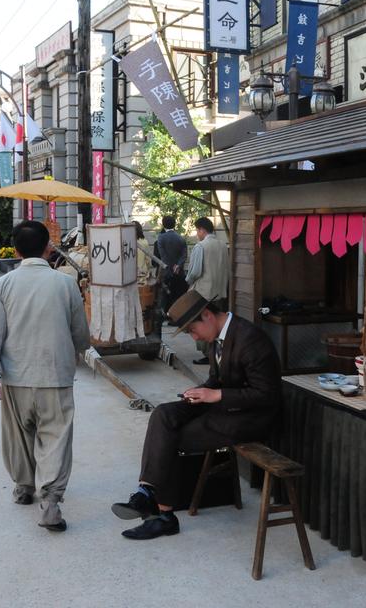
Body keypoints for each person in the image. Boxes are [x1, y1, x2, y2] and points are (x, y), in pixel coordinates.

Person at [111, 290, 282, 540]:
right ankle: (146, 492)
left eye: (192, 330)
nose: (193, 337)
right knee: (163, 415)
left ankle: (164, 514)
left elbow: (267, 395)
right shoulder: (217, 339)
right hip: (226, 407)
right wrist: (201, 392)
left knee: (172, 436)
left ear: (207, 315)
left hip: (253, 418)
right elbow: (217, 379)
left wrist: (217, 395)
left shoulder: (251, 339)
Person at [0, 220, 90, 532]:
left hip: (16, 377)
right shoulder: (65, 284)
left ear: (15, 250)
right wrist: (81, 348)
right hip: (55, 375)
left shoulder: (4, 284)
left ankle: (23, 488)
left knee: (19, 436)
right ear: (47, 247)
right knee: (55, 437)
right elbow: (80, 333)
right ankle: (51, 503)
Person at [184, 217, 229, 365]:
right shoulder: (223, 245)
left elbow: (195, 272)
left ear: (202, 230)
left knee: (203, 324)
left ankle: (207, 355)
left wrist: (188, 282)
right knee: (218, 325)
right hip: (220, 291)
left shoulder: (201, 246)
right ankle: (218, 355)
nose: (197, 233)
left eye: (197, 230)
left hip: (203, 293)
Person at [153, 215, 188, 315]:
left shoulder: (161, 238)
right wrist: (178, 265)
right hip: (179, 272)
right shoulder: (180, 238)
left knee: (164, 297)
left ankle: (164, 316)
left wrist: (170, 266)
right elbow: (184, 255)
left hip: (166, 272)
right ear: (175, 224)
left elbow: (163, 255)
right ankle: (176, 317)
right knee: (178, 296)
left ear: (163, 225)